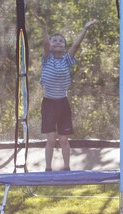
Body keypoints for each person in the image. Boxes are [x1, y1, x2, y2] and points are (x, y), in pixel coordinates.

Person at [40, 19, 98, 171]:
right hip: (48, 103)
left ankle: (67, 168)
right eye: (55, 40)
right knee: (51, 140)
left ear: (65, 47)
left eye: (61, 41)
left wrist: (85, 29)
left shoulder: (67, 60)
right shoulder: (47, 58)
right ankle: (47, 169)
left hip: (62, 103)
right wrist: (44, 28)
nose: (58, 42)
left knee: (64, 139)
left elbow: (76, 45)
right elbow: (45, 44)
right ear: (51, 46)